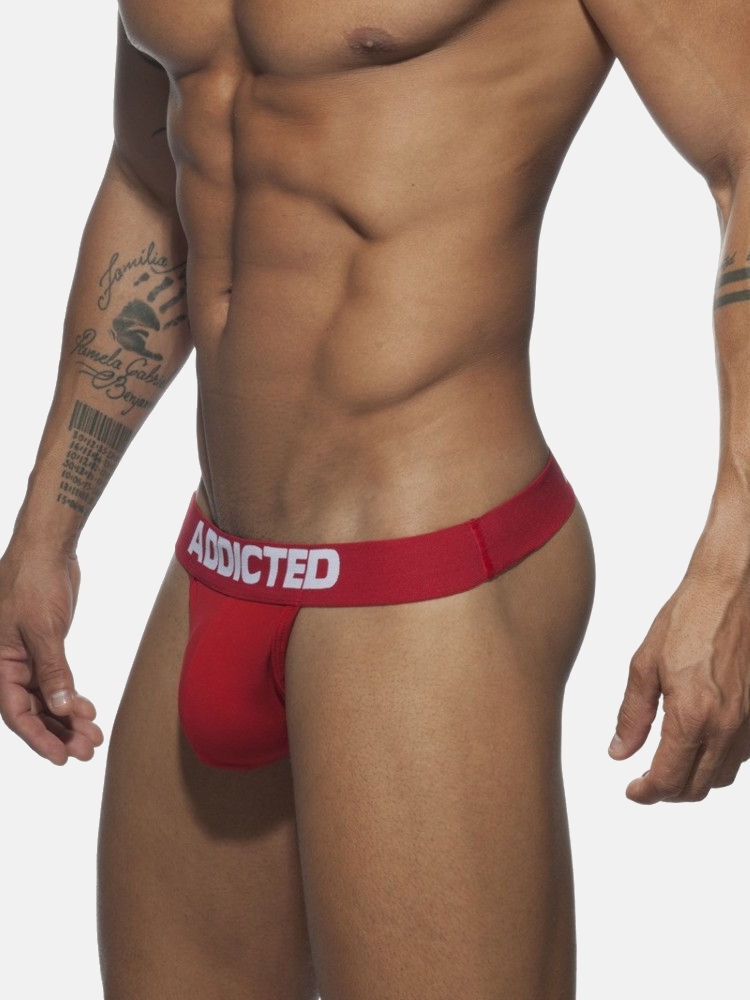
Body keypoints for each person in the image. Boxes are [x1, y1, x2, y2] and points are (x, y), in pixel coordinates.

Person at [1, 0, 748, 997]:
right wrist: (45, 530)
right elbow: (153, 173)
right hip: (217, 557)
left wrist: (735, 561)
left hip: (429, 576)